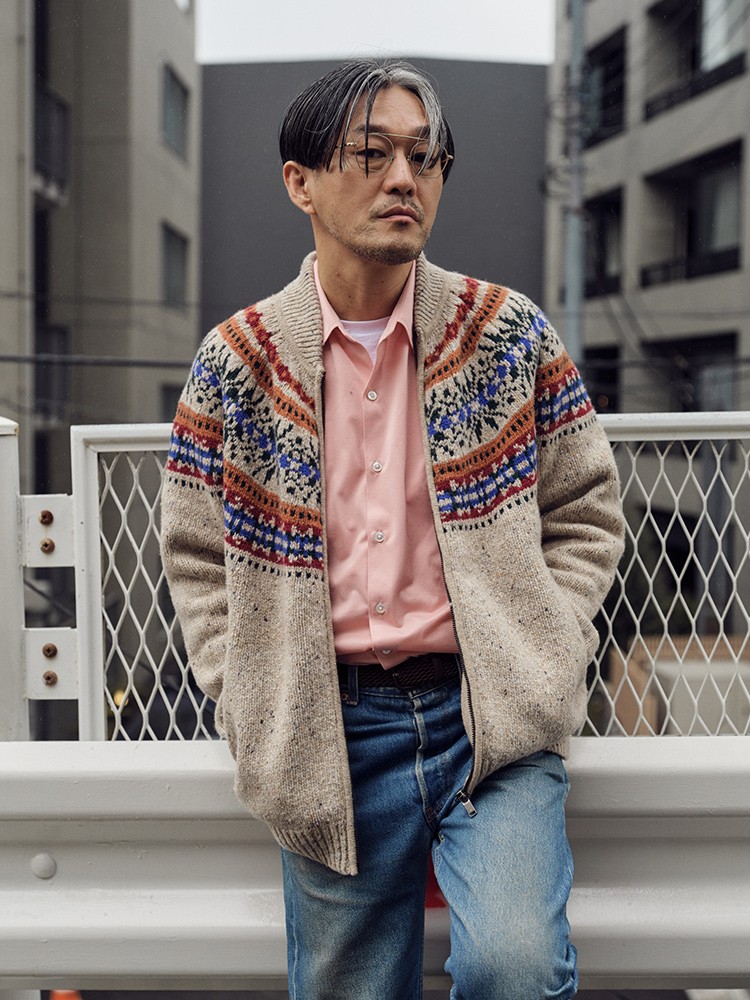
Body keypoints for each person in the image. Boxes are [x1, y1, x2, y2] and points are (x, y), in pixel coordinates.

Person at [161, 58, 625, 1000]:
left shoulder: (509, 333)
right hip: (325, 728)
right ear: (301, 182)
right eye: (371, 155)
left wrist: (547, 639)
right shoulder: (238, 361)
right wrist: (247, 686)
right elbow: (195, 551)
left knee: (517, 967)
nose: (404, 178)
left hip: (490, 718)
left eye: (425, 156)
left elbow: (586, 507)